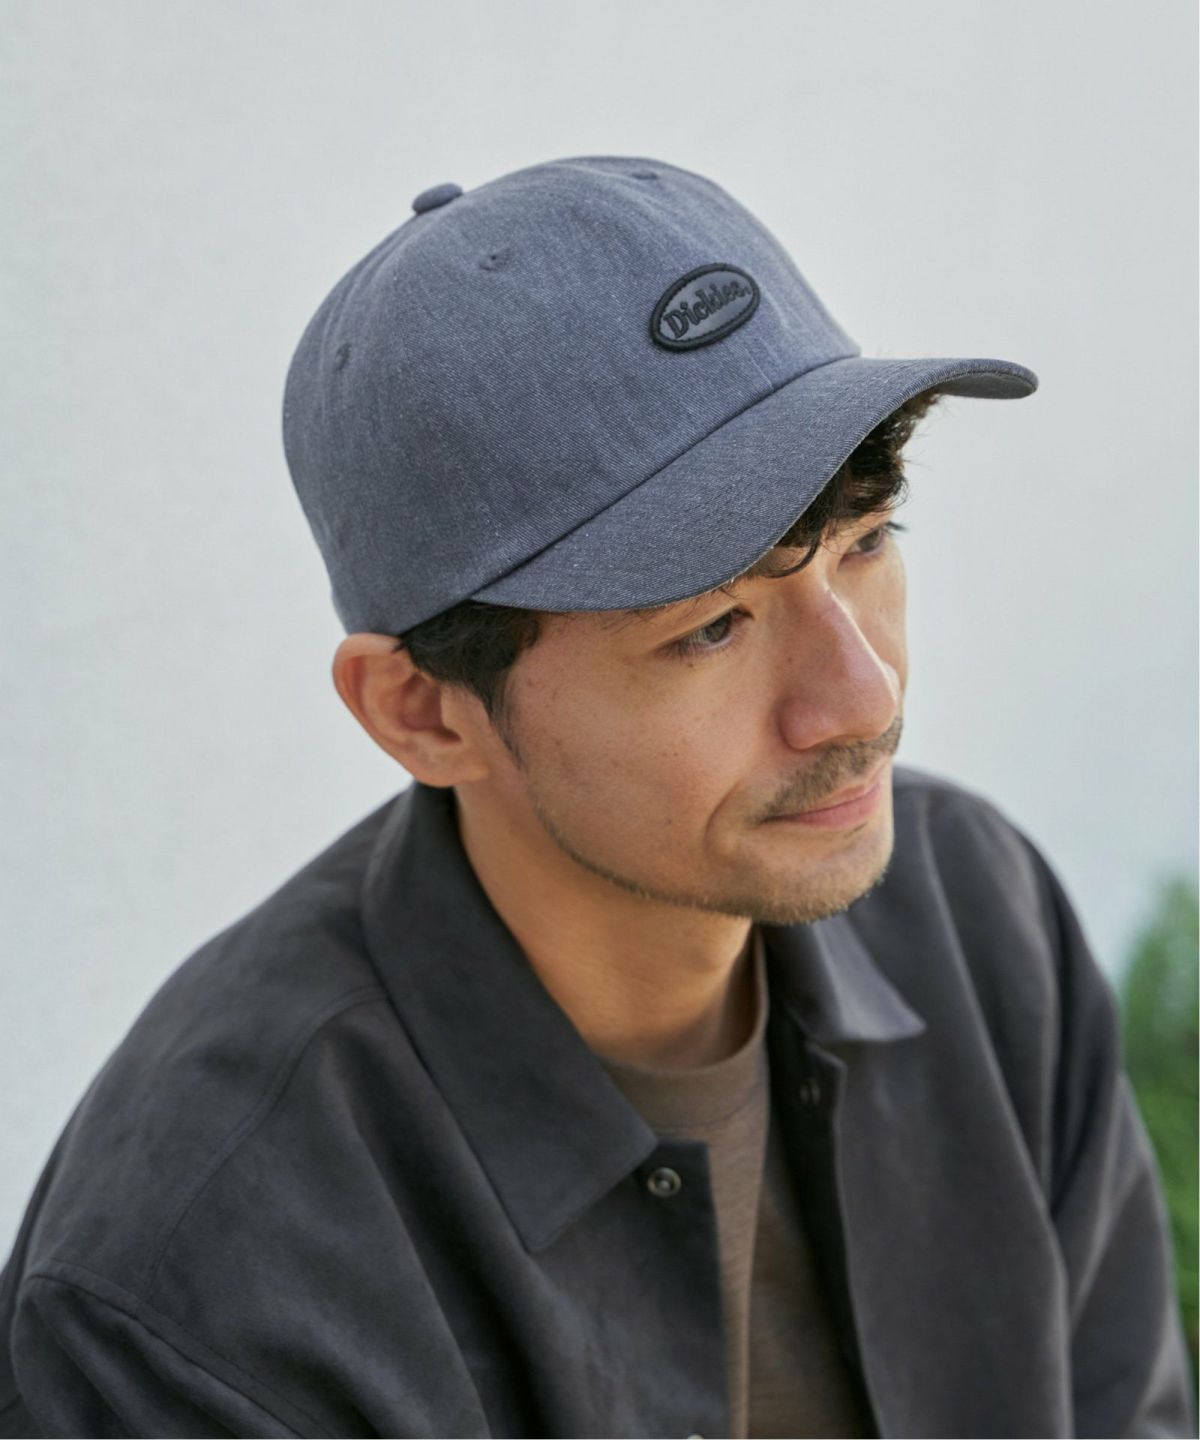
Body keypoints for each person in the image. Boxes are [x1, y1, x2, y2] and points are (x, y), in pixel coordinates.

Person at [0, 154, 1193, 1440]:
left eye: (865, 543)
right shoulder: (194, 1286)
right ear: (423, 711)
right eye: (713, 627)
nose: (862, 701)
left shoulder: (979, 917)